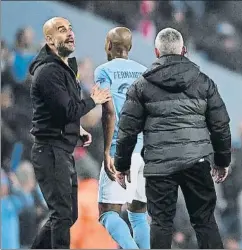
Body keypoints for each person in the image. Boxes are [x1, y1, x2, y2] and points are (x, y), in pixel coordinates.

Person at [113, 27, 231, 249]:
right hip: (196, 161)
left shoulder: (141, 86)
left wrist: (122, 164)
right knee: (204, 221)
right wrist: (222, 161)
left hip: (159, 165)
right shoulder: (204, 82)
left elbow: (127, 130)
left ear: (157, 53)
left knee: (160, 223)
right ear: (184, 51)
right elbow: (220, 125)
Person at [29, 17, 111, 249]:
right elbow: (68, 110)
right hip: (50, 150)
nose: (70, 34)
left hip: (61, 151)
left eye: (71, 29)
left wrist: (78, 130)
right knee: (63, 216)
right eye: (62, 30)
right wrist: (93, 100)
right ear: (50, 40)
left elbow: (62, 115)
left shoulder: (63, 71)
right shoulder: (48, 72)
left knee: (69, 215)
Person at [95, 27, 150, 249]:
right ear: (129, 48)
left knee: (108, 213)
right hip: (143, 151)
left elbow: (109, 111)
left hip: (120, 150)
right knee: (138, 213)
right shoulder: (145, 72)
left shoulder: (103, 71)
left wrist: (107, 150)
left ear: (108, 45)